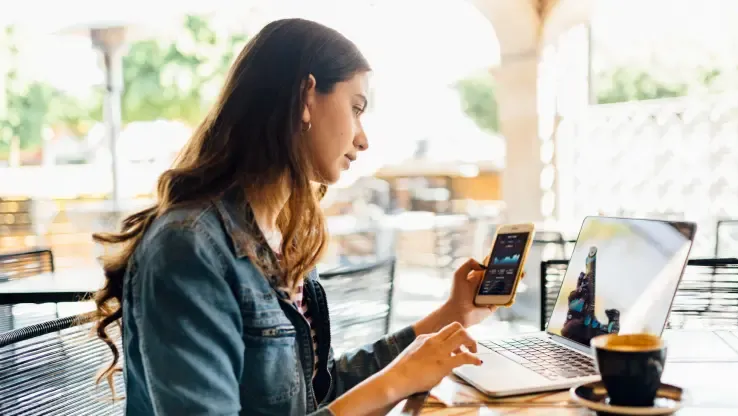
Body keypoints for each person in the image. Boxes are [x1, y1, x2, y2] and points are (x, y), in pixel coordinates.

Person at [92, 18, 499, 416]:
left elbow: (317, 393)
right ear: (306, 96)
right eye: (356, 108)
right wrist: (396, 382)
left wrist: (452, 315)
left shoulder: (286, 234)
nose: (363, 138)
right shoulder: (188, 247)